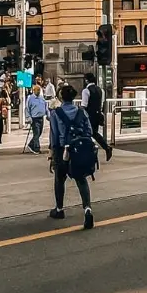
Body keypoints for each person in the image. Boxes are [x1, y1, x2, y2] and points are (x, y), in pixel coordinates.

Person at [47, 85, 94, 229]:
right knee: (81, 180)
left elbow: (54, 137)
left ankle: (59, 209)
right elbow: (89, 131)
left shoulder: (56, 113)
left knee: (59, 179)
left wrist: (52, 156)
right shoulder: (82, 112)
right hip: (79, 151)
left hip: (63, 150)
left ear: (61, 97)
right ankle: (87, 209)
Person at [81, 73, 113, 161]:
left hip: (89, 116)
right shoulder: (100, 90)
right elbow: (101, 104)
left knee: (87, 133)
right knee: (94, 133)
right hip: (97, 115)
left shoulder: (86, 91)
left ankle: (90, 152)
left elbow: (84, 105)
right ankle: (106, 148)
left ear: (86, 80)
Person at [25, 84, 48, 155]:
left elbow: (45, 106)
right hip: (34, 118)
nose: (38, 91)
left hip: (41, 118)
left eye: (39, 90)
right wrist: (28, 117)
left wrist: (48, 114)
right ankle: (36, 148)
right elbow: (27, 109)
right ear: (34, 90)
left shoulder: (42, 98)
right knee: (36, 133)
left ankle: (31, 144)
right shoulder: (30, 98)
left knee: (39, 133)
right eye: (37, 90)